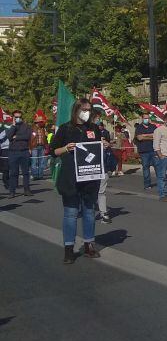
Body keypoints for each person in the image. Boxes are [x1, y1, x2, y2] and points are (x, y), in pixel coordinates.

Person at [51, 98, 103, 264]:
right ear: (76, 110)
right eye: (84, 109)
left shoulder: (94, 128)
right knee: (71, 213)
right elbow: (53, 151)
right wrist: (66, 148)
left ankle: (89, 245)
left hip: (90, 178)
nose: (87, 113)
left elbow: (98, 147)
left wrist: (104, 145)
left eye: (89, 110)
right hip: (70, 177)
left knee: (89, 212)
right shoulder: (66, 129)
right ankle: (69, 249)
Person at [91, 109, 113, 223]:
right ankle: (86, 211)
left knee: (101, 191)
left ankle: (104, 213)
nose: (98, 120)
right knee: (88, 191)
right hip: (89, 167)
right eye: (97, 118)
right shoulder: (84, 131)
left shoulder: (102, 132)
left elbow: (106, 145)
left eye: (99, 118)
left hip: (102, 165)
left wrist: (106, 144)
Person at [5, 109, 33, 198]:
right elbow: (9, 137)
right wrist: (13, 126)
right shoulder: (10, 126)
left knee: (26, 172)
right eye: (16, 117)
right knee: (13, 173)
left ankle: (27, 190)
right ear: (13, 117)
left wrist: (16, 137)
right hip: (13, 152)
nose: (18, 118)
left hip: (24, 151)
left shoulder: (26, 126)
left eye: (19, 117)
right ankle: (12, 191)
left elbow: (28, 136)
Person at [134, 111, 157, 190]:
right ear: (142, 118)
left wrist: (145, 135)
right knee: (146, 168)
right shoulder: (139, 128)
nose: (146, 120)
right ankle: (147, 185)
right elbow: (139, 138)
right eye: (145, 118)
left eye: (148, 118)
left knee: (157, 167)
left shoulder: (153, 126)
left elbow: (156, 136)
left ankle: (161, 183)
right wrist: (150, 136)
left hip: (153, 150)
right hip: (144, 151)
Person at [30, 114, 49, 180]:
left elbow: (45, 139)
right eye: (41, 122)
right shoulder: (32, 128)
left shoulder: (43, 129)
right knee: (34, 161)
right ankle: (34, 175)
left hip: (42, 146)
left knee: (42, 162)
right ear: (37, 122)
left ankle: (40, 175)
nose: (43, 123)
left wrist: (46, 146)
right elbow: (30, 139)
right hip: (34, 147)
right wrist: (30, 148)